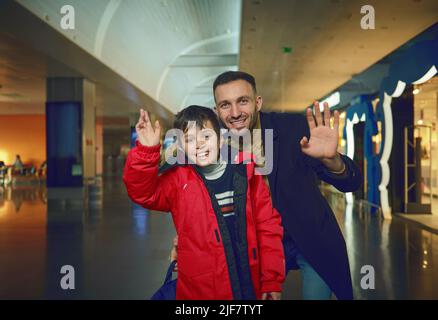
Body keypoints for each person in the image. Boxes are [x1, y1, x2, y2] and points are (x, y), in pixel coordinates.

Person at [172, 71, 362, 300]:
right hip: (253, 242)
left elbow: (351, 183)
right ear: (216, 110)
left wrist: (332, 160)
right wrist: (185, 239)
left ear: (257, 102)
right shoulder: (209, 144)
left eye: (243, 101)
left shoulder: (293, 128)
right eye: (225, 105)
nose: (235, 113)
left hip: (309, 237)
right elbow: (194, 195)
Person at [123, 105, 285, 300]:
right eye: (190, 140)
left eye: (206, 136)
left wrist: (271, 280)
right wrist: (147, 151)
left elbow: (267, 227)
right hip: (201, 290)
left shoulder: (245, 173)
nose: (198, 144)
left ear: (221, 139)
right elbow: (143, 193)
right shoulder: (178, 180)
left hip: (248, 284)